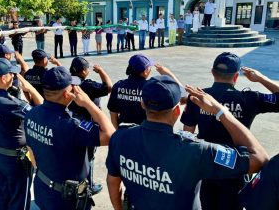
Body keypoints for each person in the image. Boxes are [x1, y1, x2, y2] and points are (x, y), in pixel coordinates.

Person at [106, 76, 269, 210]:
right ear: (177, 111)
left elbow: (113, 181)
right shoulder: (195, 151)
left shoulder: (120, 137)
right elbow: (259, 159)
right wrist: (221, 112)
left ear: (142, 105)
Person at [181, 52, 279, 210]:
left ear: (213, 72)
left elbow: (187, 135)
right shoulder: (249, 98)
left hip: (208, 166)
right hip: (239, 167)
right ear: (236, 76)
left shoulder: (198, 98)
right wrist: (260, 78)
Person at [24, 66, 115, 210]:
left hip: (44, 187)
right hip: (67, 199)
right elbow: (110, 135)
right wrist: (87, 103)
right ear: (68, 94)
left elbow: (31, 152)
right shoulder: (71, 124)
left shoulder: (31, 113)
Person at [0, 58, 43, 210]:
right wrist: (31, 89)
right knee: (19, 199)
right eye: (11, 74)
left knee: (4, 195)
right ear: (3, 78)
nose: (14, 77)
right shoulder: (12, 103)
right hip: (15, 160)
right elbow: (42, 111)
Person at [68, 57, 113, 195]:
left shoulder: (67, 81)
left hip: (70, 122)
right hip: (87, 125)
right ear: (83, 71)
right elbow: (109, 87)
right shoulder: (88, 85)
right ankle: (88, 185)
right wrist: (101, 71)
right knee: (89, 158)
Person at [107, 54, 181, 129]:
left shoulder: (118, 85)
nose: (150, 70)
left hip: (123, 131)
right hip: (145, 132)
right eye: (149, 68)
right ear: (145, 71)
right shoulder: (150, 87)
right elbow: (180, 93)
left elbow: (113, 112)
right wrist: (167, 73)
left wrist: (116, 132)